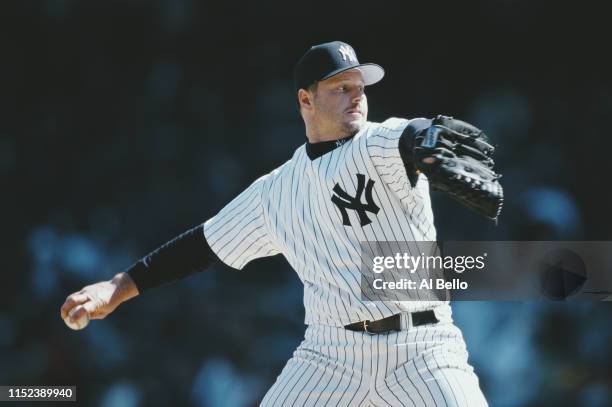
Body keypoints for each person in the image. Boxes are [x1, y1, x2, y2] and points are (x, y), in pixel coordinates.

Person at [61, 41, 491, 406]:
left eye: (360, 88)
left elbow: (408, 134)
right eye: (342, 88)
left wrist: (422, 139)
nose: (356, 96)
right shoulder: (275, 192)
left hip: (422, 348)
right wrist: (117, 287)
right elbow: (201, 247)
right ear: (306, 100)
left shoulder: (377, 143)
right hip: (330, 356)